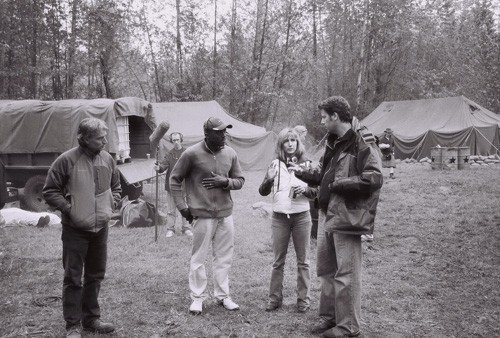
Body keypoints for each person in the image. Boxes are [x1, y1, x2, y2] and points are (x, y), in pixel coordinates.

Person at [292, 96, 383, 337]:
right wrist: (302, 174)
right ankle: (330, 318)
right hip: (325, 214)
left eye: (324, 117)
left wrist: (337, 184)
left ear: (335, 116)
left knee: (347, 274)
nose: (321, 122)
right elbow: (325, 175)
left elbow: (373, 178)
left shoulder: (362, 140)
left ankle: (348, 326)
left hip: (347, 216)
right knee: (326, 270)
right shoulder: (333, 141)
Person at [42, 118, 121, 338]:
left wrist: (112, 202)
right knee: (73, 277)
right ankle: (73, 325)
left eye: (105, 136)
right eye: (99, 138)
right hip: (75, 229)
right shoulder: (65, 161)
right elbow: (50, 191)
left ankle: (91, 319)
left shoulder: (107, 159)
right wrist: (70, 209)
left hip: (101, 228)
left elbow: (116, 186)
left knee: (95, 274)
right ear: (84, 139)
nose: (105, 141)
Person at [169, 117, 245, 315]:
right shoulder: (191, 153)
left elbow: (240, 180)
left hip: (225, 215)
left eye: (224, 131)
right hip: (202, 216)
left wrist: (225, 182)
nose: (223, 135)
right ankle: (197, 298)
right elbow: (174, 180)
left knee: (224, 257)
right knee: (198, 258)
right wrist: (182, 207)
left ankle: (223, 296)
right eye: (219, 132)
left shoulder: (230, 153)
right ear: (207, 134)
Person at [258, 127, 315, 313]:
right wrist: (268, 180)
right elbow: (263, 191)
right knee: (278, 261)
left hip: (301, 217)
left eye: (293, 140)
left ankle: (303, 300)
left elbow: (317, 192)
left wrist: (305, 191)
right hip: (280, 217)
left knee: (303, 261)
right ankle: (274, 299)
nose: (290, 144)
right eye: (286, 141)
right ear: (281, 144)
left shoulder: (307, 164)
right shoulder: (274, 164)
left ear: (298, 143)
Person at [157, 132, 192, 238]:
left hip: (185, 186)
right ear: (171, 141)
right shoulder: (170, 153)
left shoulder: (187, 152)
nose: (176, 142)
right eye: (174, 140)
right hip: (171, 186)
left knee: (185, 208)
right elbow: (163, 165)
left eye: (177, 140)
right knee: (171, 209)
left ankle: (186, 228)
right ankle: (170, 229)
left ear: (181, 139)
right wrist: (159, 168)